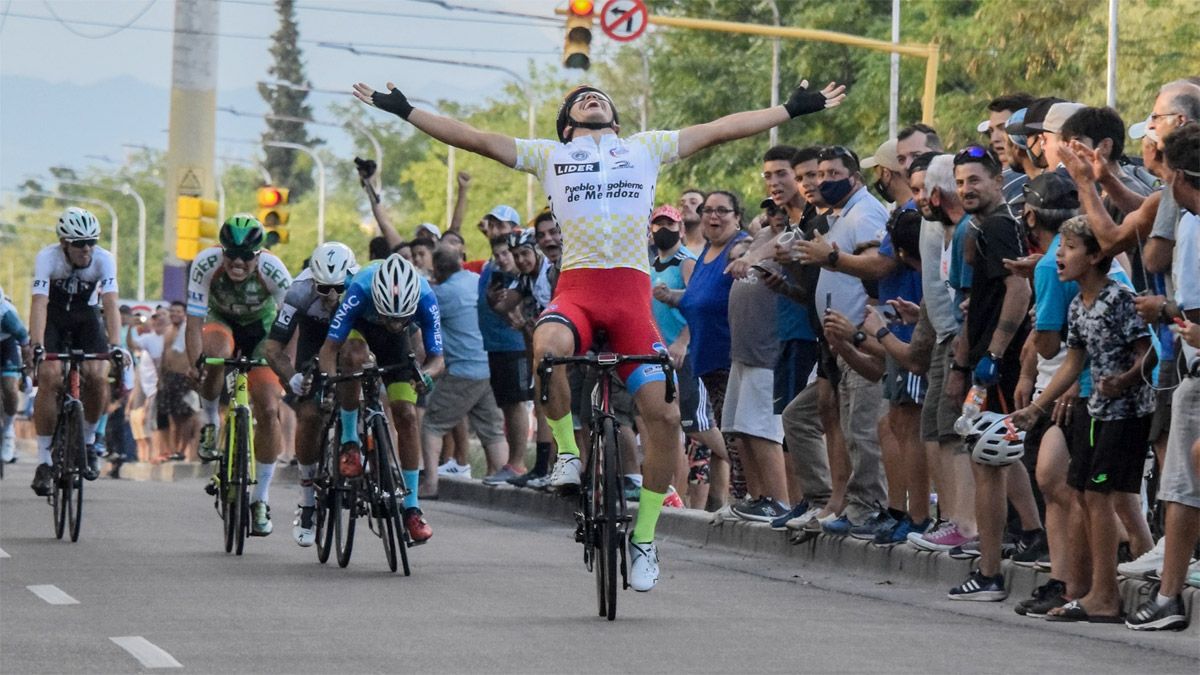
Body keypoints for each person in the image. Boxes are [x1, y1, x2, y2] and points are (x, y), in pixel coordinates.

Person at [353, 75, 846, 592]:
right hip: (579, 294)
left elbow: (722, 129)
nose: (592, 95)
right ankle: (568, 454)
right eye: (580, 98)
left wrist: (790, 109)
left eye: (600, 96)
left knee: (665, 414)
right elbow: (473, 137)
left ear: (615, 119)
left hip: (631, 301)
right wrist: (406, 110)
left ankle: (645, 538)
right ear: (567, 125)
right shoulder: (550, 155)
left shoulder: (645, 148)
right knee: (547, 346)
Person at [1011, 216, 1156, 622]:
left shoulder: (1118, 299)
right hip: (1095, 412)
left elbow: (1150, 351)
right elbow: (1073, 362)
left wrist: (1125, 379)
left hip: (1126, 413)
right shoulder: (1077, 305)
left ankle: (1106, 596)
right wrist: (1037, 408)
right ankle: (1097, 590)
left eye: (1070, 248)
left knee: (1100, 497)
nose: (1059, 255)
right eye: (1060, 248)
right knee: (1089, 496)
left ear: (1095, 256)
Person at [947, 146, 1035, 601]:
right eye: (961, 181)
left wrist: (993, 356)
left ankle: (989, 573)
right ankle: (1034, 535)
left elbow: (1018, 290)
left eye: (975, 180)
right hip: (984, 357)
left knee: (987, 460)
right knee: (1000, 454)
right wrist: (963, 362)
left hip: (999, 362)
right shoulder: (983, 228)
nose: (967, 189)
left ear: (998, 180)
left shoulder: (999, 225)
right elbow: (976, 304)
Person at [1125, 121, 1200, 631]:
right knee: (1182, 479)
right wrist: (1170, 311)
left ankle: (1172, 591)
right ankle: (1169, 594)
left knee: (1188, 470)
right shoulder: (1190, 218)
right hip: (1192, 361)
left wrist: (1168, 312)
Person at [317, 254, 445, 544]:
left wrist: (426, 375)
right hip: (360, 328)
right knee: (351, 357)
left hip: (395, 346)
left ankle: (411, 508)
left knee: (407, 416)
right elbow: (329, 350)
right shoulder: (360, 288)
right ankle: (350, 439)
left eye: (401, 318)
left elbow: (438, 359)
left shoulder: (425, 295)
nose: (394, 322)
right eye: (389, 316)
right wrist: (329, 381)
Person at [185, 214, 293, 536]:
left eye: (246, 256)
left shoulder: (274, 270)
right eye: (231, 253)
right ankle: (210, 422)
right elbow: (193, 323)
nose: (237, 262)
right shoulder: (205, 264)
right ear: (221, 249)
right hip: (222, 322)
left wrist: (287, 367)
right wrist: (196, 364)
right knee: (215, 354)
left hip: (263, 331)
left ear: (258, 254)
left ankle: (260, 500)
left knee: (269, 408)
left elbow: (292, 324)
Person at [264, 241, 359, 547]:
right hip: (315, 340)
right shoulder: (299, 291)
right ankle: (307, 499)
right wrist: (291, 379)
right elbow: (273, 348)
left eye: (337, 288)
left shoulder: (362, 286)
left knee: (361, 372)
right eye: (323, 288)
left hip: (351, 336)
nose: (331, 296)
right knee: (308, 415)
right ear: (313, 281)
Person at [26, 207, 124, 496]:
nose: (87, 249)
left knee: (97, 375)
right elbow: (40, 303)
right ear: (64, 243)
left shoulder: (104, 259)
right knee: (50, 376)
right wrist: (37, 344)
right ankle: (44, 461)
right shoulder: (48, 258)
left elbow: (110, 302)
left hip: (86, 317)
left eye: (92, 242)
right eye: (80, 243)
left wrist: (116, 344)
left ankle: (90, 441)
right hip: (53, 317)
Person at [649, 205, 727, 510]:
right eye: (657, 224)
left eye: (669, 223)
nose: (662, 229)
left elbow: (698, 308)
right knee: (673, 426)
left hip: (687, 355)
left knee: (699, 425)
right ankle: (683, 499)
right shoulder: (653, 263)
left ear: (681, 228)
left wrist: (683, 342)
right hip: (659, 356)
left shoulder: (687, 262)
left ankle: (738, 465)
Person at [421, 245, 510, 491]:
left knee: (432, 424)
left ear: (438, 269)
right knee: (493, 431)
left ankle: (430, 484)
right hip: (488, 366)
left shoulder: (442, 294)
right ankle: (502, 484)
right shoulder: (475, 280)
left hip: (463, 371)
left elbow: (422, 318)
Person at [0, 286, 29, 464]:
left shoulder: (8, 315)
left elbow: (25, 344)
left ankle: (9, 429)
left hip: (6, 343)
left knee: (10, 387)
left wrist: (27, 370)